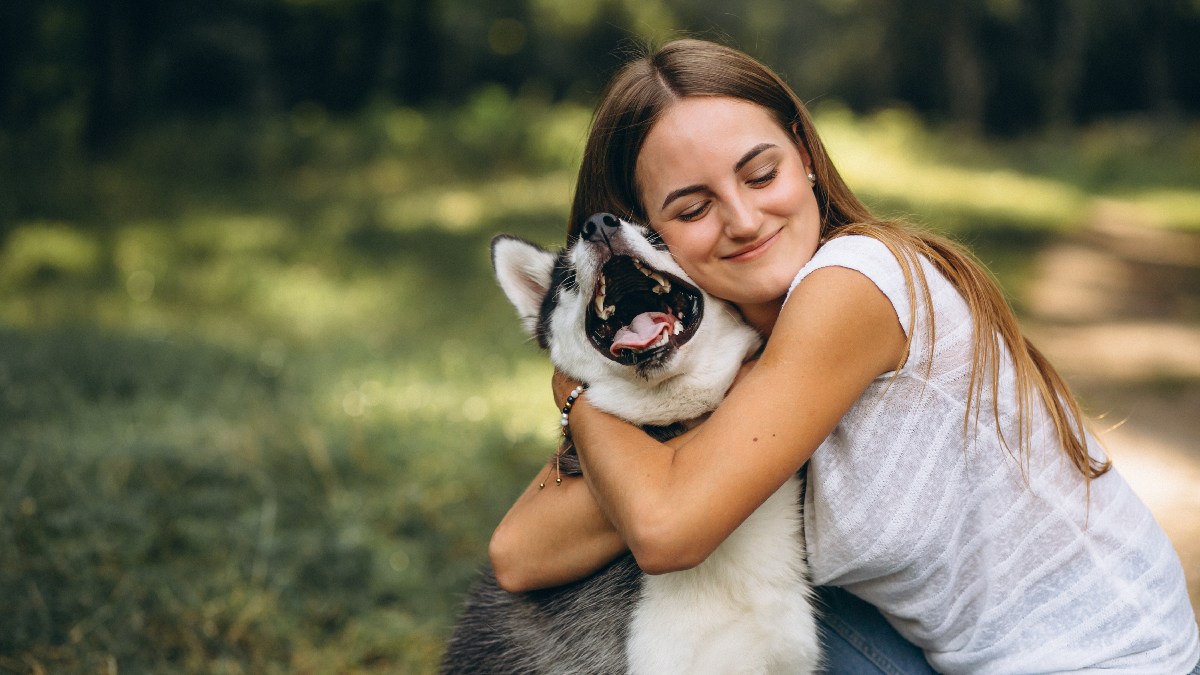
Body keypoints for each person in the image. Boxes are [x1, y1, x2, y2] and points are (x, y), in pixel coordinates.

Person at [487, 38, 1200, 674]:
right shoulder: (729, 361)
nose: (742, 219)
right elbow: (521, 554)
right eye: (694, 208)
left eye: (760, 174)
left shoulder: (855, 283)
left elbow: (666, 529)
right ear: (652, 241)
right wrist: (596, 383)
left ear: (803, 152)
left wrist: (578, 385)